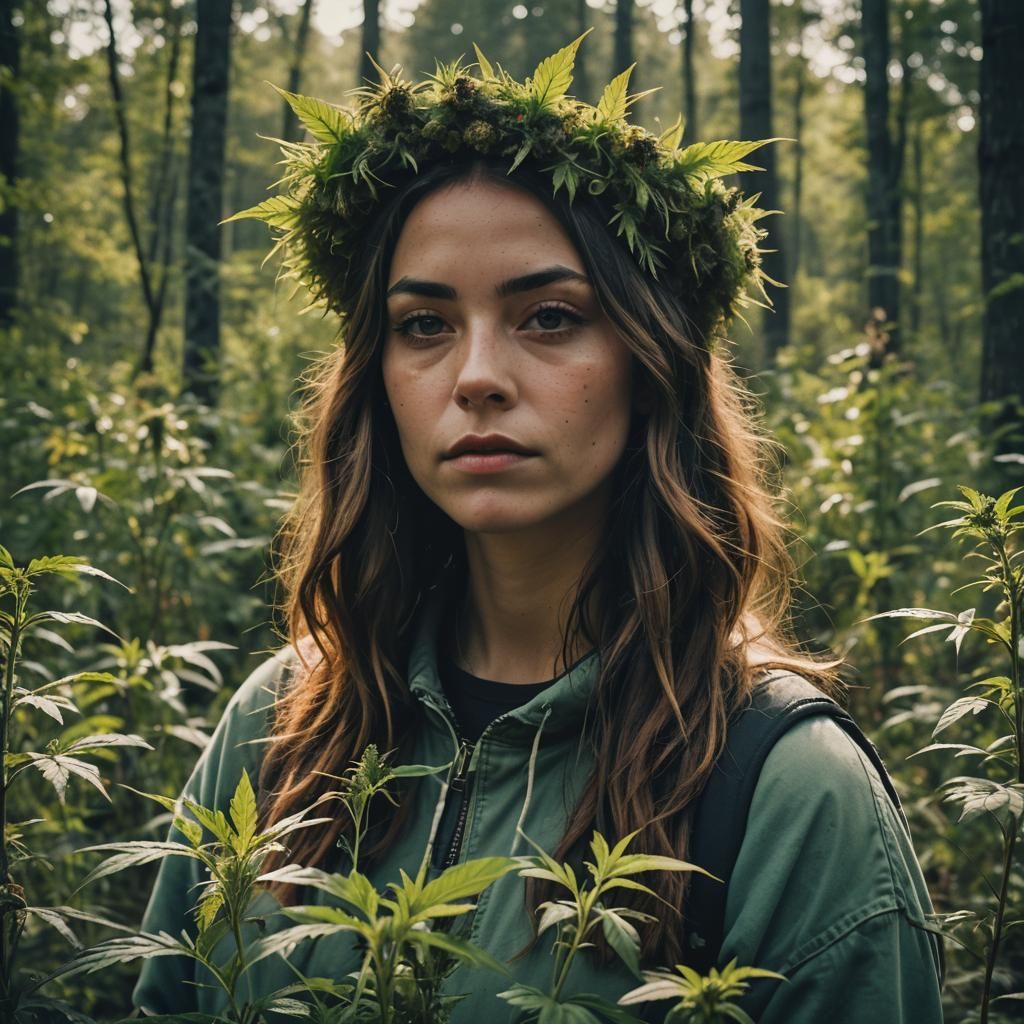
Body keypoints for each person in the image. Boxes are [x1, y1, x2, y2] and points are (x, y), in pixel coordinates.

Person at [133, 35, 944, 1021]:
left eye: (549, 316)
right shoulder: (281, 724)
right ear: (376, 377)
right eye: (424, 324)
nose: (475, 375)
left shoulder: (784, 790)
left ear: (653, 363)